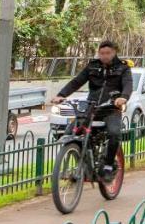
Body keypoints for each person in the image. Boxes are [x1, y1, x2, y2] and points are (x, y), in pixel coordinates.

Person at [50, 40, 131, 177]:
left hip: (111, 109)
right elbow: (77, 81)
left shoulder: (123, 68)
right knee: (70, 132)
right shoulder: (92, 66)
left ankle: (108, 165)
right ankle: (81, 161)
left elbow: (128, 84)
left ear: (114, 53)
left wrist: (123, 97)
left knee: (114, 134)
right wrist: (61, 95)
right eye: (102, 53)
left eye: (108, 53)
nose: (104, 56)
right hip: (91, 108)